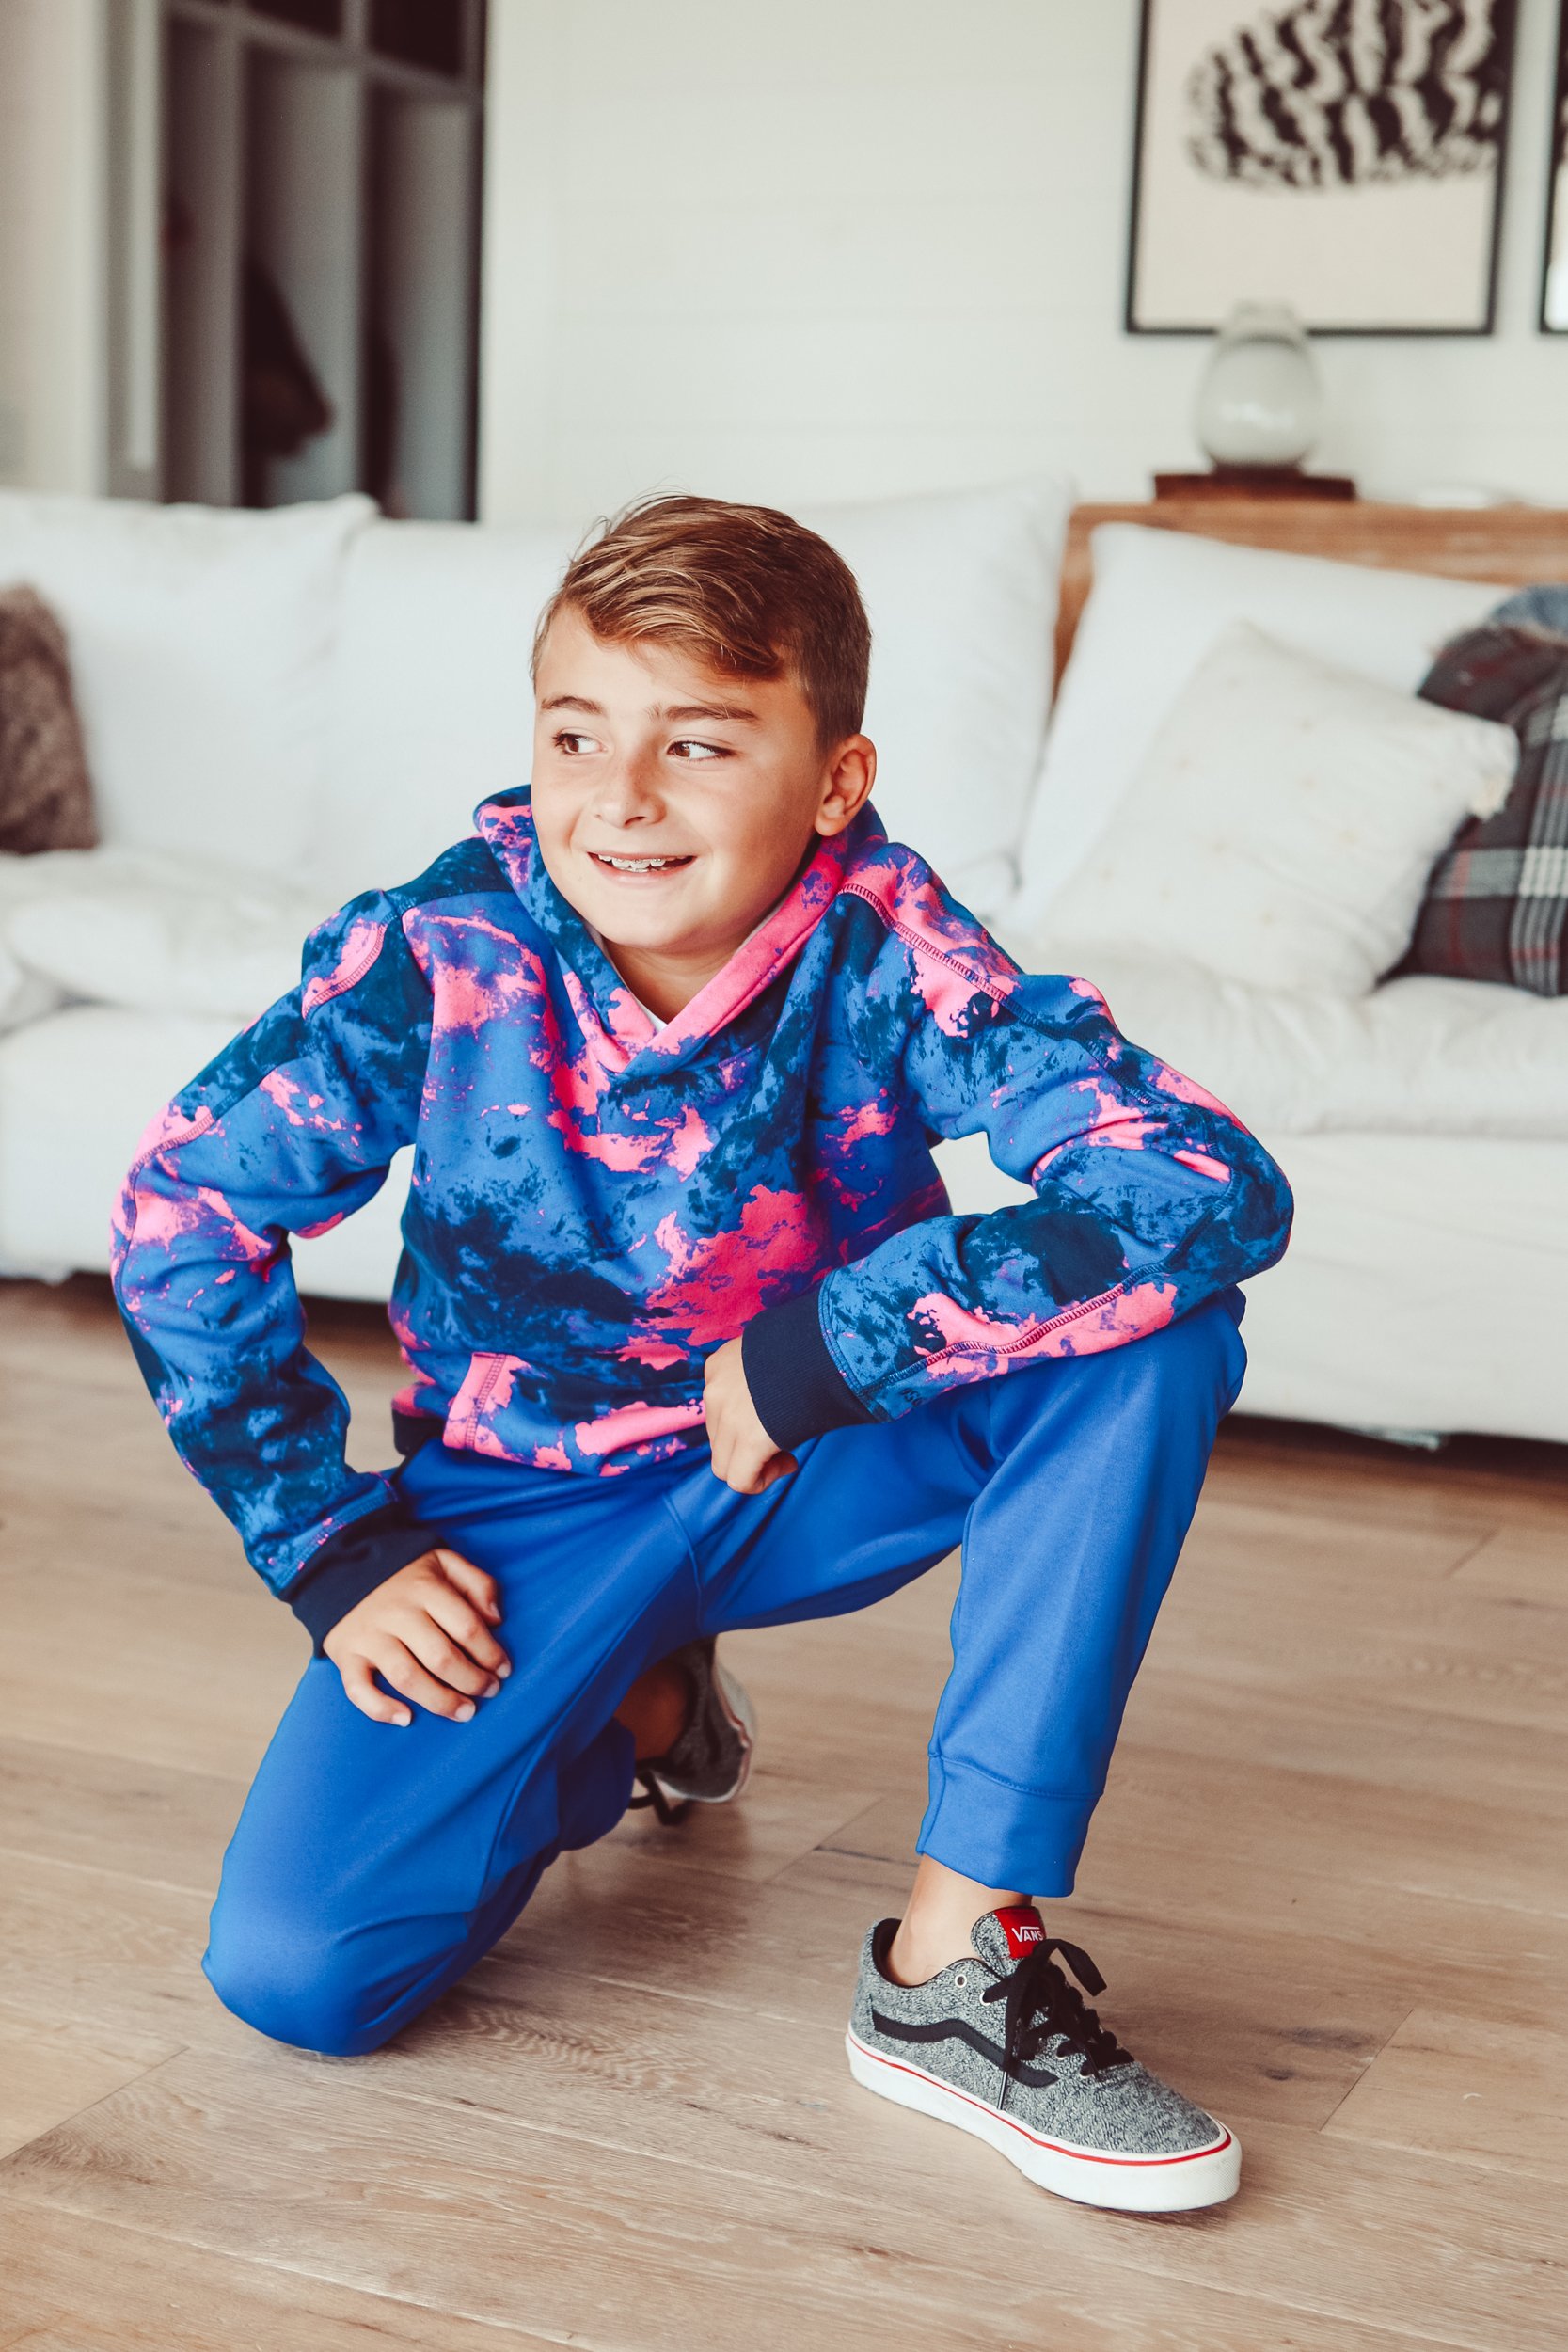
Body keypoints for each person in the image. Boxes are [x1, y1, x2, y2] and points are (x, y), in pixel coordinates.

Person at [112, 496, 1291, 2215]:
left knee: (1156, 1341)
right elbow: (180, 1212)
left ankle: (958, 1961)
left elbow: (1201, 1185)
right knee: (302, 1974)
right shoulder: (441, 950)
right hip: (523, 1498)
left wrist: (839, 1340)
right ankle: (644, 1691)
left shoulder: (886, 942)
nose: (621, 798)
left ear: (832, 783)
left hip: (804, 1452)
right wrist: (327, 1538)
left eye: (701, 743)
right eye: (576, 734)